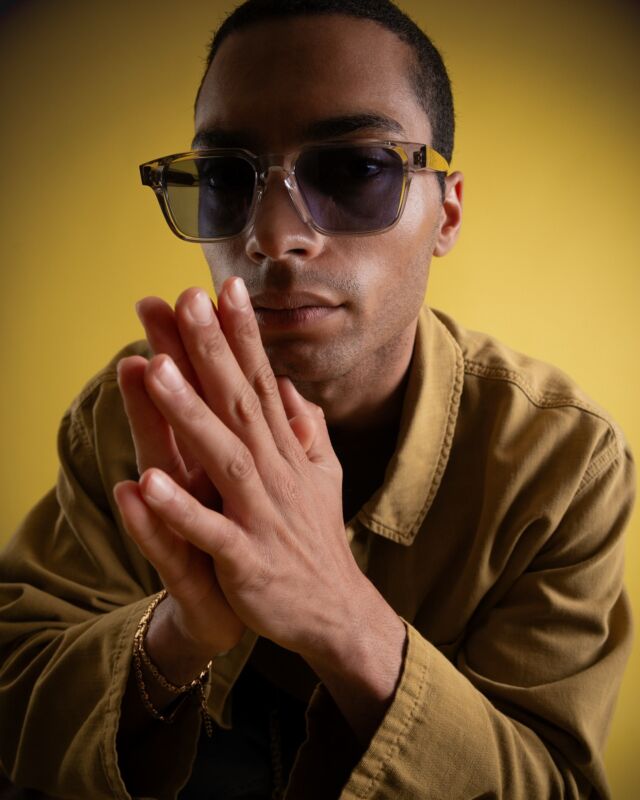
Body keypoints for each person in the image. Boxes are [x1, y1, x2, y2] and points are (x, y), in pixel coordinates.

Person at [0, 1, 634, 798]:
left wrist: (340, 613)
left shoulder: (561, 463)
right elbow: (15, 700)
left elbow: (554, 784)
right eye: (226, 178)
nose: (273, 236)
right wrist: (178, 634)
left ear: (447, 212)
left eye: (355, 169)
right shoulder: (136, 413)